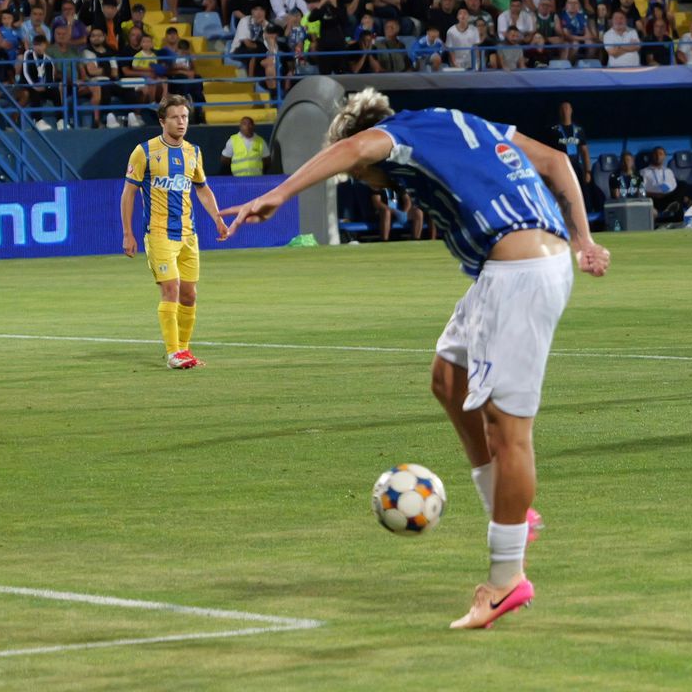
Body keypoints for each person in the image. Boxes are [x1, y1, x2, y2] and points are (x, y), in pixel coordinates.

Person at [222, 89, 609, 629]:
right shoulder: (459, 122)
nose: (367, 181)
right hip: (504, 269)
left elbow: (358, 148)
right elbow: (555, 162)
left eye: (364, 176)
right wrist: (583, 239)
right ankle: (507, 502)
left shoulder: (400, 136)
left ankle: (505, 582)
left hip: (521, 277)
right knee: (447, 378)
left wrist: (280, 193)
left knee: (509, 434)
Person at [121, 94, 229, 371]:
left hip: (188, 234)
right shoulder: (144, 152)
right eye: (175, 117)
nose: (181, 122)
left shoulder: (193, 152)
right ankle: (173, 353)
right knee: (171, 288)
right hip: (158, 233)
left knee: (190, 295)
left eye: (184, 117)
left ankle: (184, 349)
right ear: (162, 121)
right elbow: (128, 193)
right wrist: (127, 233)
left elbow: (202, 188)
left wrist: (217, 218)